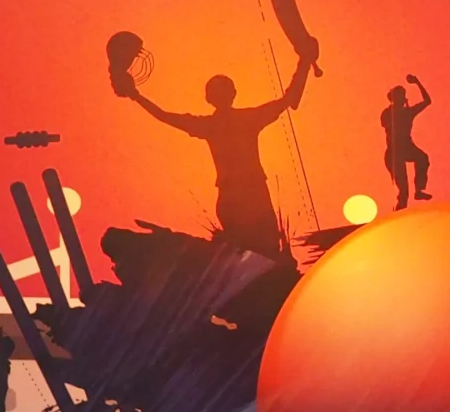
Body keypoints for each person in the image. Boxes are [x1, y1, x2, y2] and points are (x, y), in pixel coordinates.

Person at [123, 49, 316, 257]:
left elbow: (164, 116)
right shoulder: (246, 120)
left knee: (248, 254)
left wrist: (136, 96)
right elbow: (289, 99)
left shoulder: (214, 125)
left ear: (209, 98)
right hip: (249, 195)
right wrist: (304, 62)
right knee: (264, 252)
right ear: (233, 93)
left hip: (239, 196)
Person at [381, 75, 433, 210]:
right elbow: (386, 124)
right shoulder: (387, 113)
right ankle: (400, 211)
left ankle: (419, 189)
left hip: (406, 146)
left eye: (402, 96)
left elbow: (427, 101)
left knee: (422, 158)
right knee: (403, 191)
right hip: (394, 151)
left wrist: (417, 82)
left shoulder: (408, 112)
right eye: (398, 97)